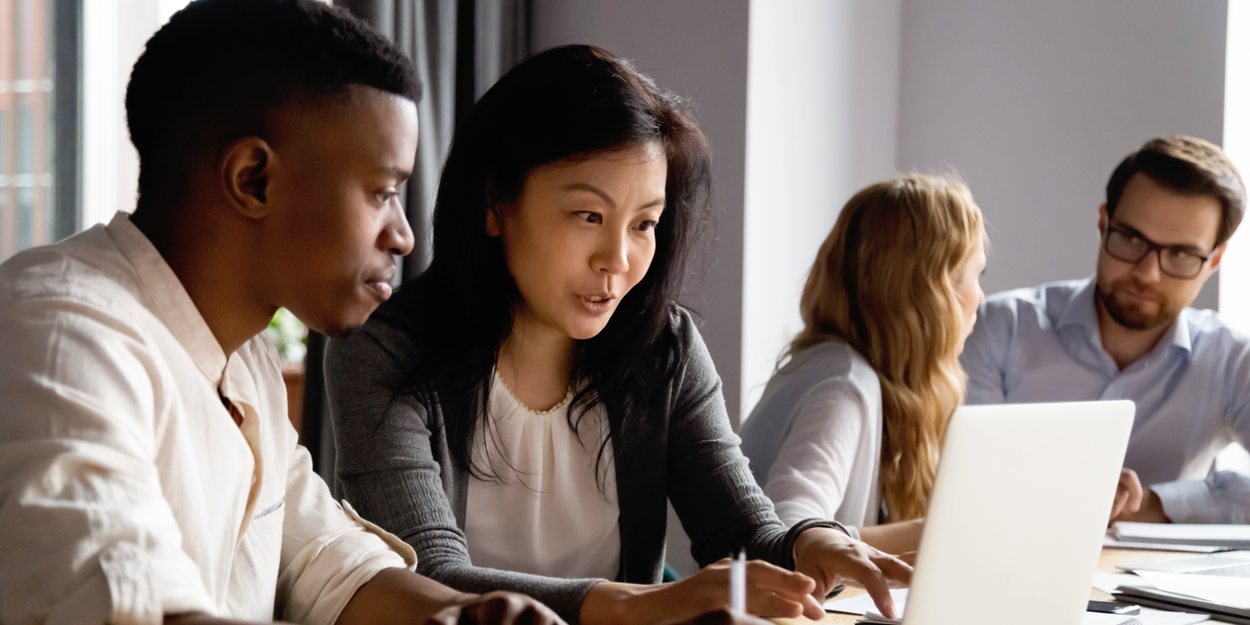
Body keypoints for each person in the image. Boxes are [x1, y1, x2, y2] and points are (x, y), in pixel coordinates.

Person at [0, 1, 563, 624]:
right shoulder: (61, 334)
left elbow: (329, 565)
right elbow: (134, 609)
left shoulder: (246, 363)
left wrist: (471, 613)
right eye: (383, 192)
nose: (403, 236)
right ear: (254, 180)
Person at [324, 44, 912, 625]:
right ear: (495, 204)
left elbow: (739, 532)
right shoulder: (381, 350)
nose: (618, 258)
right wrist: (641, 602)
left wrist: (810, 542)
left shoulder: (664, 347)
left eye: (644, 224)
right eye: (588, 216)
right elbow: (428, 577)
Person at [961, 135, 1250, 525]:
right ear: (1103, 223)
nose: (1147, 273)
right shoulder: (999, 328)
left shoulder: (1232, 360)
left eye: (1181, 255)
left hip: (1157, 583)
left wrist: (1151, 504)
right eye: (1131, 239)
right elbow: (966, 487)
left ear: (1215, 260)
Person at [739, 174, 987, 556]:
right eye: (974, 275)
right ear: (930, 294)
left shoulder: (845, 370)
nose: (980, 298)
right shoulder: (844, 384)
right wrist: (931, 532)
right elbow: (788, 533)